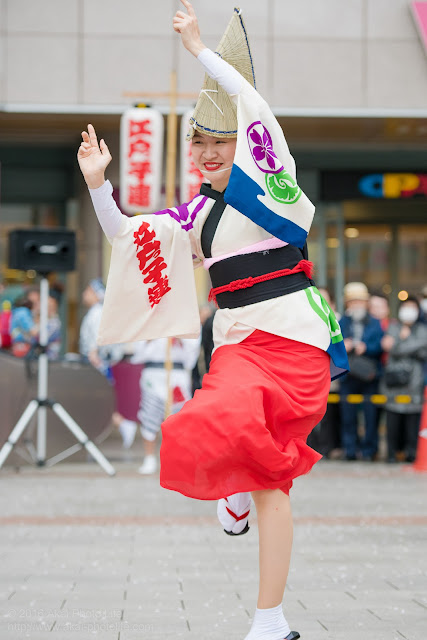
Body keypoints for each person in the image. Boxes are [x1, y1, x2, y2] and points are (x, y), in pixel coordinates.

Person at [77, 3, 348, 639]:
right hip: (235, 344)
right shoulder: (197, 215)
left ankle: (268, 619)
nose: (204, 152)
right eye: (197, 141)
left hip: (297, 339)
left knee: (271, 477)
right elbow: (128, 237)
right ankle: (236, 498)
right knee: (198, 423)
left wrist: (200, 49)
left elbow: (254, 105)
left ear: (245, 146)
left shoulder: (273, 183)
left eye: (217, 141)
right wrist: (98, 185)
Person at [131, 336, 201, 475]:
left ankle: (179, 459)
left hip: (177, 374)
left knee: (180, 419)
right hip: (153, 373)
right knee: (150, 415)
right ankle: (149, 457)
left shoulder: (185, 320)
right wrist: (151, 336)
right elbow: (137, 353)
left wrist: (180, 338)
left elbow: (191, 356)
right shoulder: (149, 318)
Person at [339, 282, 384, 461]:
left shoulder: (375, 323)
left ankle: (368, 450)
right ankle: (350, 449)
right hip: (348, 375)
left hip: (369, 375)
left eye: (359, 301)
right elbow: (332, 344)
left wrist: (366, 347)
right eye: (352, 301)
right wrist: (345, 345)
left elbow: (380, 345)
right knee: (348, 416)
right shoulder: (341, 322)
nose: (356, 305)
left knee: (370, 415)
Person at [381, 297, 427, 463]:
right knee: (392, 421)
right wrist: (413, 346)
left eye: (412, 307)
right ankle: (392, 453)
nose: (409, 310)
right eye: (406, 306)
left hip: (414, 382)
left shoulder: (422, 329)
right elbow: (387, 347)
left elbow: (424, 349)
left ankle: (410, 453)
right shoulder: (393, 327)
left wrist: (400, 343)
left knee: (412, 422)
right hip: (394, 381)